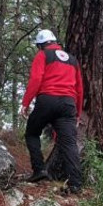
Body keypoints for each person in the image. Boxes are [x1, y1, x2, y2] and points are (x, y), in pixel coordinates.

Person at [21, 29, 84, 194]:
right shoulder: (72, 60)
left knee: (32, 133)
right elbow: (79, 89)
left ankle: (39, 170)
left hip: (47, 99)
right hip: (68, 104)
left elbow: (36, 79)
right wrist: (77, 113)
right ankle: (76, 185)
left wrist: (25, 103)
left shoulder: (43, 55)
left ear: (41, 44)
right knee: (69, 144)